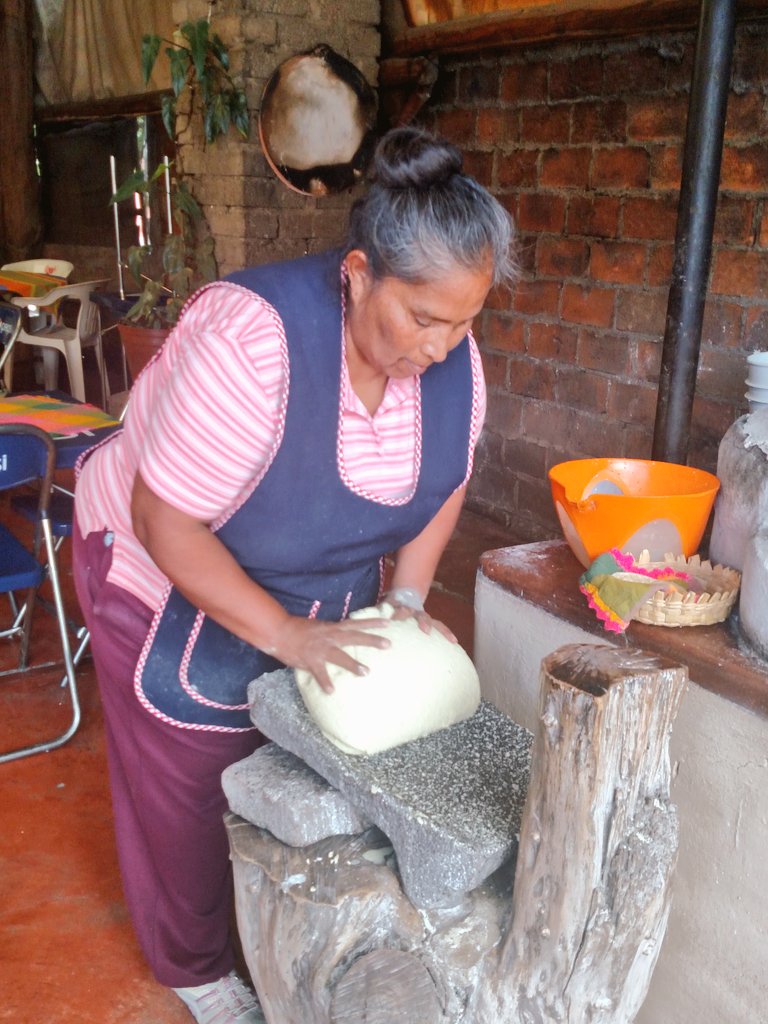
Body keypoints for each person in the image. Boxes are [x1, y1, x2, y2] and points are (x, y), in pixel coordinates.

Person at [72, 125, 518, 1024]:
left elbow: (446, 475)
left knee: (304, 754)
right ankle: (198, 968)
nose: (439, 347)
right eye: (422, 319)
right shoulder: (254, 345)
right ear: (357, 273)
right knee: (193, 784)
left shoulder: (450, 361)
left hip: (309, 570)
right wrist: (285, 635)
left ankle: (270, 922)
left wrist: (404, 596)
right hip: (163, 571)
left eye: (464, 321)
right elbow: (169, 521)